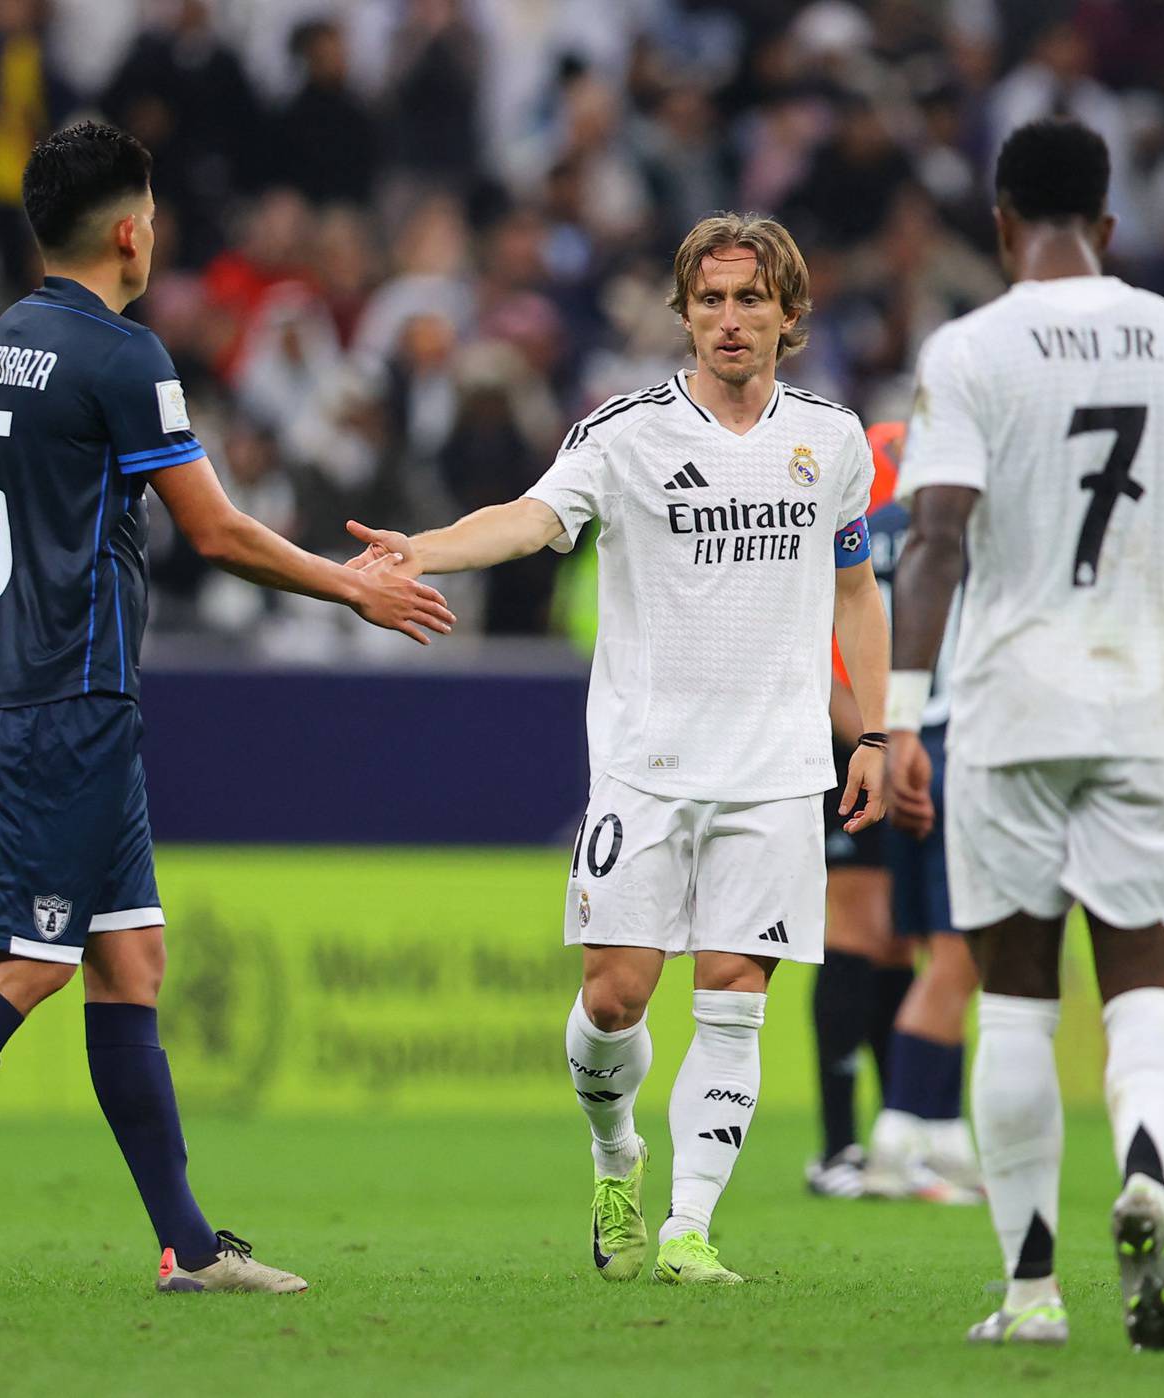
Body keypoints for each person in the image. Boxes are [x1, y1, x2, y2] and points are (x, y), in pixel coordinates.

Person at [0, 121, 453, 1300]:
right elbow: (214, 531)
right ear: (127, 229)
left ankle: (189, 1244)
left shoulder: (11, 338)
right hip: (70, 700)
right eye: (152, 214)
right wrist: (350, 585)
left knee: (130, 960)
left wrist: (12, 607)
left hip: (54, 685)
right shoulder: (124, 355)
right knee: (33, 958)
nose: (156, 231)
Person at [348, 213, 890, 1285]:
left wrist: (875, 728)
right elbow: (530, 518)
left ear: (790, 314)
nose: (730, 320)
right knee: (616, 999)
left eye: (751, 300)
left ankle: (690, 1226)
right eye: (711, 300)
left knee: (735, 994)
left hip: (780, 771)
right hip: (646, 767)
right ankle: (615, 1154)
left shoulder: (831, 440)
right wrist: (427, 550)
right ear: (683, 313)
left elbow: (855, 592)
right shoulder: (626, 432)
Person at [886, 118, 1164, 1350]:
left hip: (1007, 712)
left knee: (1011, 1003)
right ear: (1108, 227)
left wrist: (900, 715)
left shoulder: (971, 346)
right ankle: (1147, 1166)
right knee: (1146, 987)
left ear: (1002, 224)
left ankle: (1032, 1292)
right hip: (1149, 705)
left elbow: (936, 539)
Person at [807, 419, 985, 1205]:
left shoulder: (862, 528)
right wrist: (873, 742)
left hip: (875, 737)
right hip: (898, 743)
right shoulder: (954, 533)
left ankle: (893, 1136)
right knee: (885, 934)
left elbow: (819, 649)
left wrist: (870, 740)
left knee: (888, 942)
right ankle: (867, 1138)